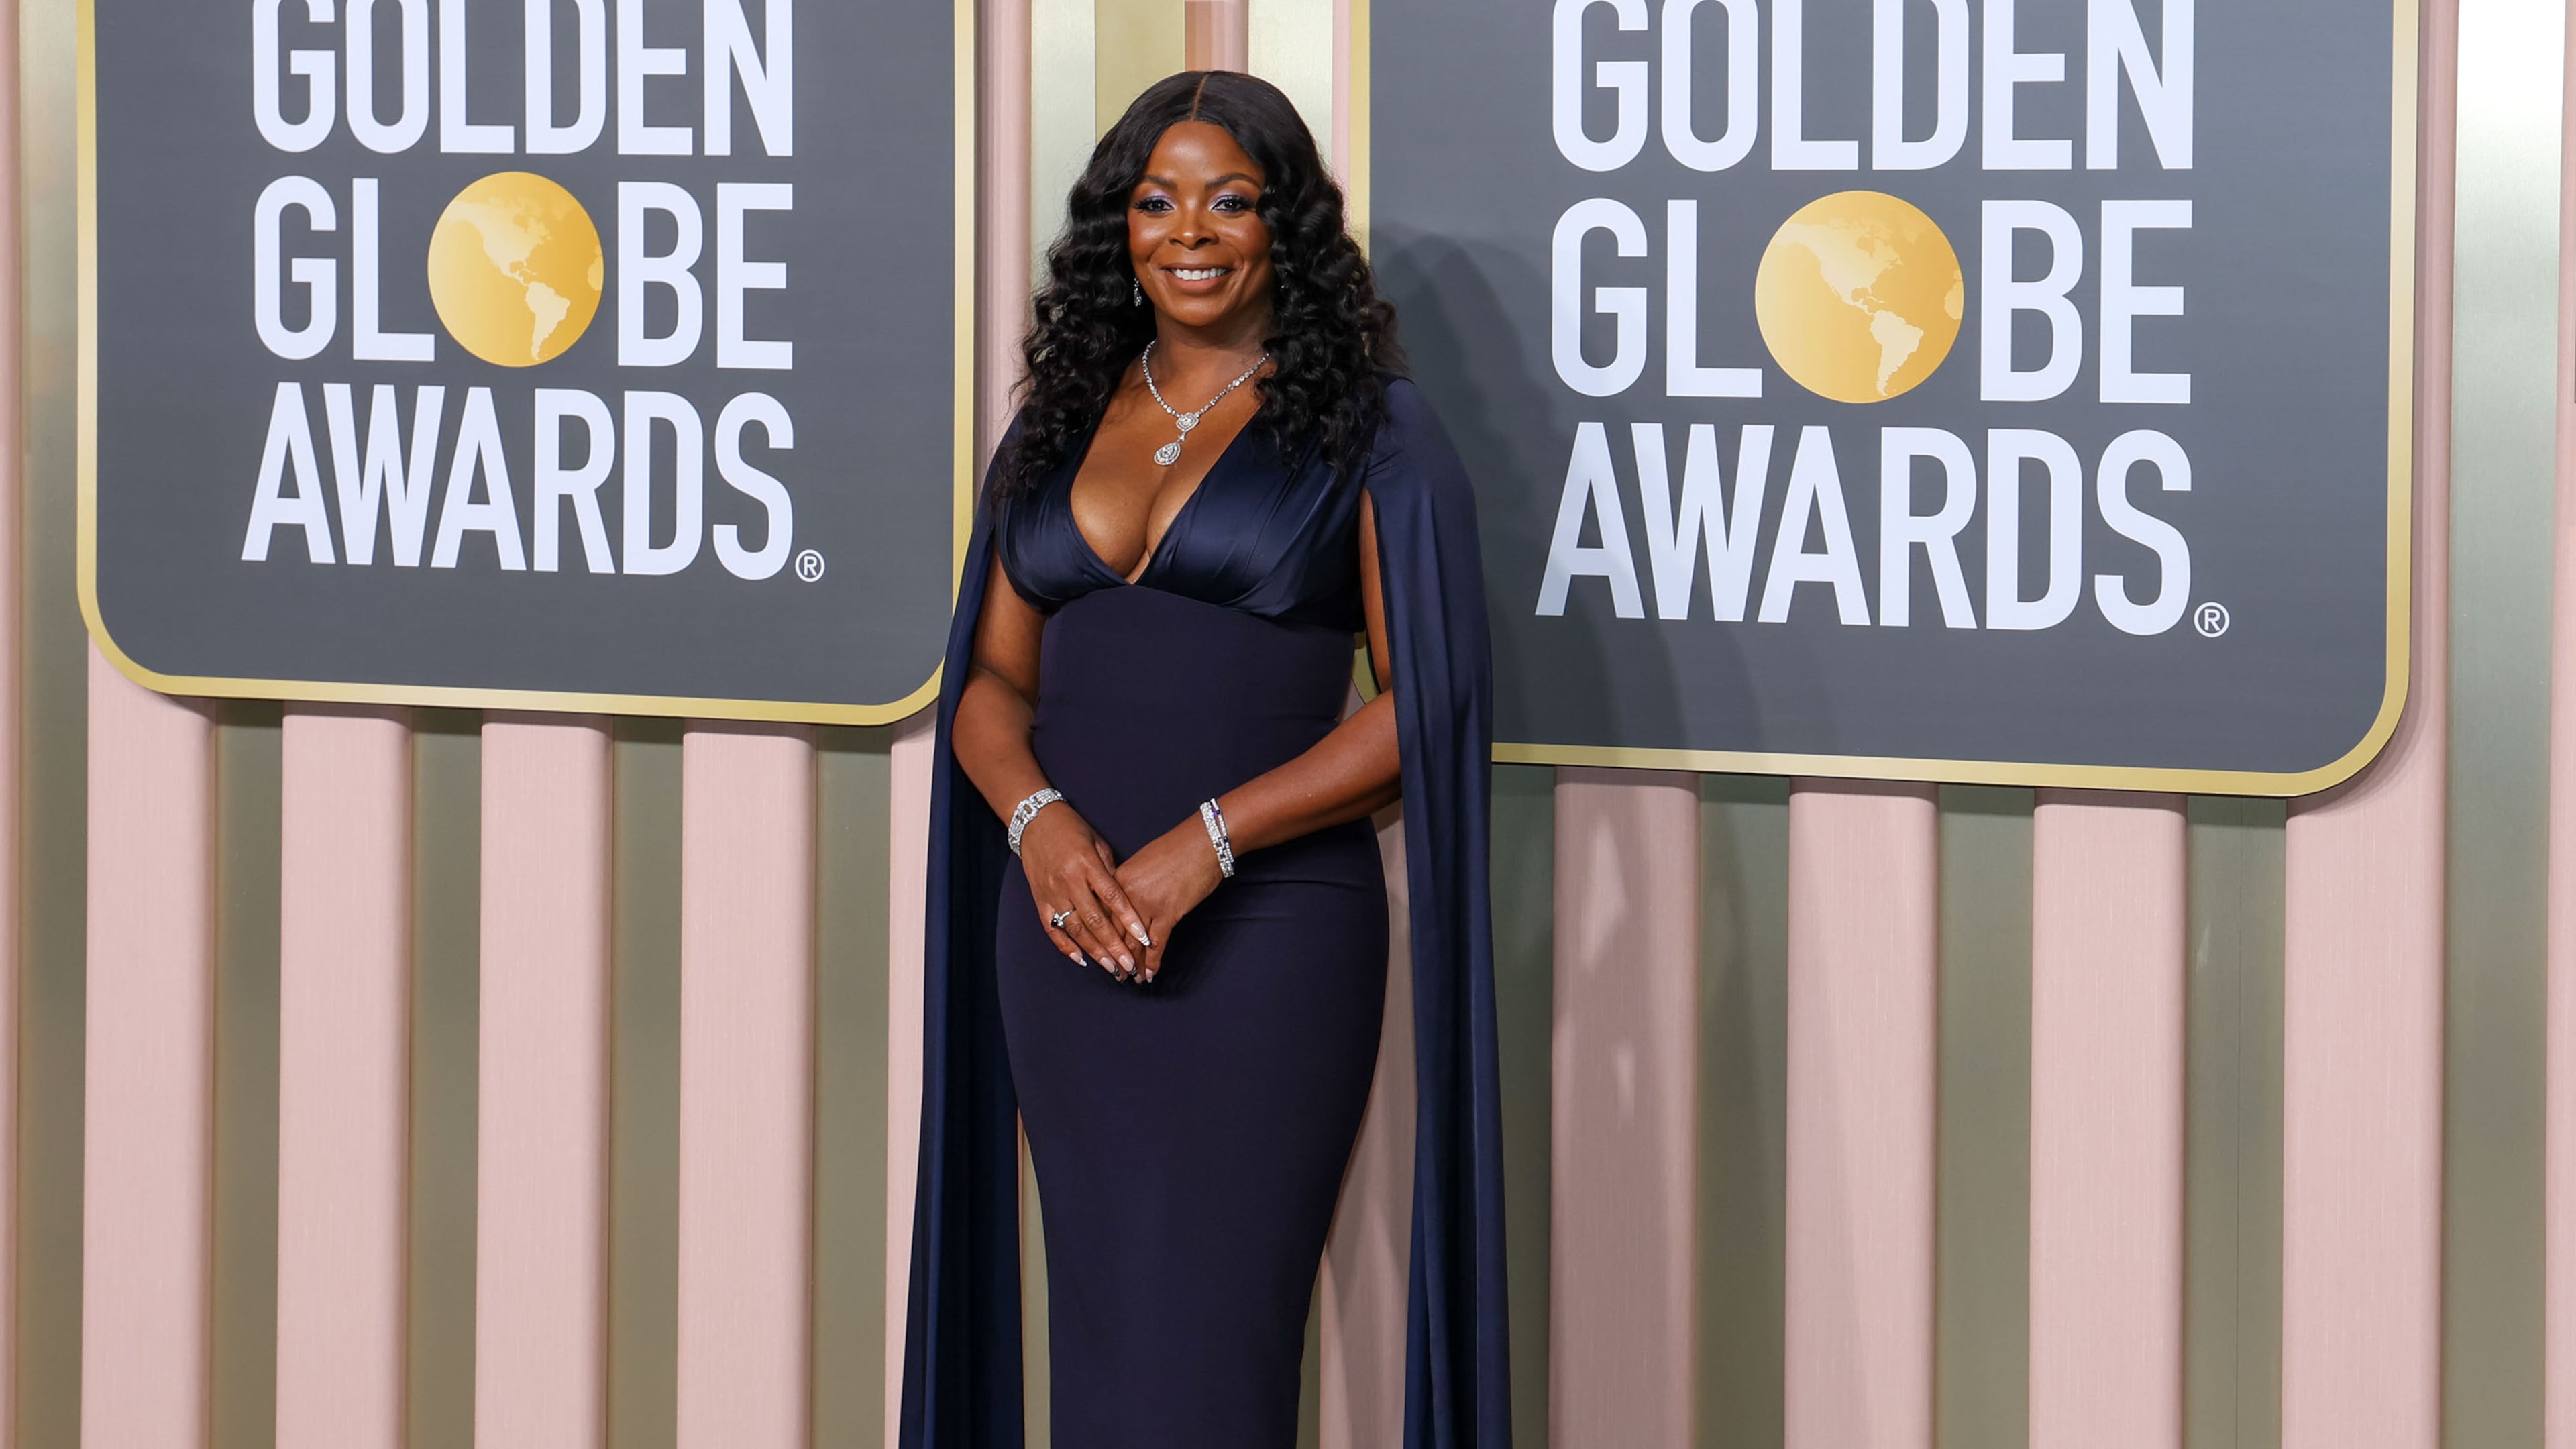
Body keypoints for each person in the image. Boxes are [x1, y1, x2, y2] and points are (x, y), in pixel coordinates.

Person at [900, 71, 1510, 1449]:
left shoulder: (1374, 432)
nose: (1190, 231)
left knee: (1211, 1361)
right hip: (1062, 943)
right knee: (1105, 1344)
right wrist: (1042, 827)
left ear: (1282, 224)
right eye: (1156, 201)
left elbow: (1429, 706)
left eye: (1229, 200)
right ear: (1118, 228)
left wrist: (1208, 843)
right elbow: (990, 682)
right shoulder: (1056, 420)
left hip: (1266, 948)